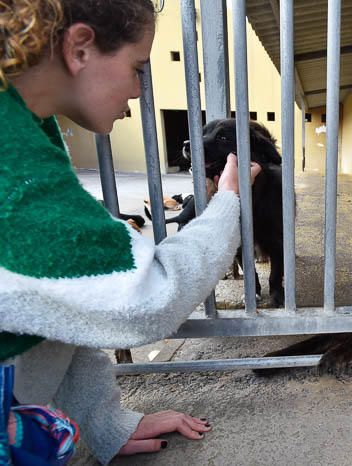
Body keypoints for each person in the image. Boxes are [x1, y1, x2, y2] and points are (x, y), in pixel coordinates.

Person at [0, 0, 261, 464]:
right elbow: (146, 296)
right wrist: (228, 204)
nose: (140, 91)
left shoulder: (28, 128)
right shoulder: (12, 163)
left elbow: (55, 311)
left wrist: (105, 422)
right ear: (80, 47)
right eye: (137, 68)